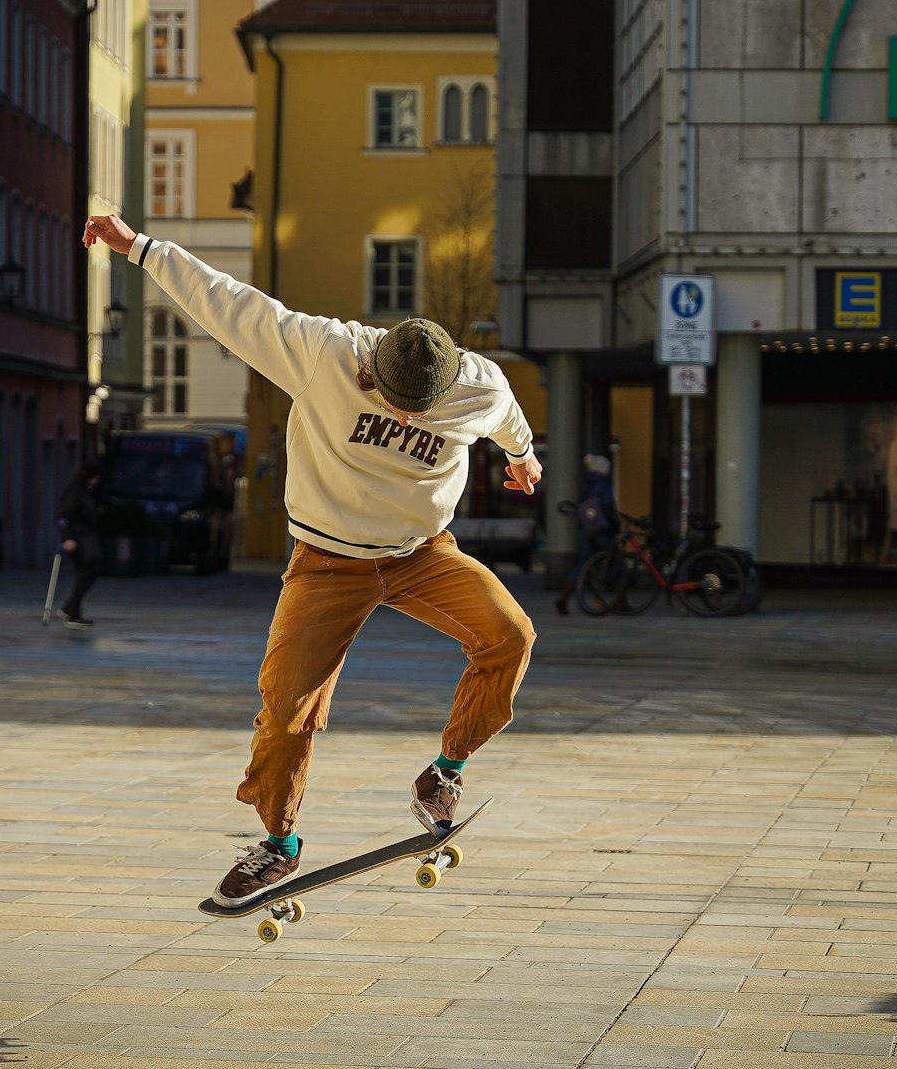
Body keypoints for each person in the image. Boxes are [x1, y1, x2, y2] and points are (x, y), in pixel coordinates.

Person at [82, 212, 542, 908]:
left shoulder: (478, 384)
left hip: (422, 553)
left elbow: (511, 425)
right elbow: (227, 301)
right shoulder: (320, 349)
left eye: (424, 410)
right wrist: (139, 248)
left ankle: (443, 772)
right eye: (396, 404)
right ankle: (279, 843)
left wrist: (523, 460)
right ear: (371, 366)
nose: (412, 419)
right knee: (287, 706)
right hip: (327, 563)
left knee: (510, 635)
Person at [554, 452, 617, 615]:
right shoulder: (603, 484)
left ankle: (564, 597)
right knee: (614, 562)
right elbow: (607, 506)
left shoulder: (586, 483)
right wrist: (616, 524)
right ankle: (619, 601)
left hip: (586, 529)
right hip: (602, 529)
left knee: (583, 563)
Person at [56, 465, 104, 628]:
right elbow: (63, 516)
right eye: (95, 478)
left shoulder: (85, 491)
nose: (96, 481)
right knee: (85, 573)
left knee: (91, 572)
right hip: (78, 538)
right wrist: (67, 538)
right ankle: (72, 612)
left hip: (86, 537)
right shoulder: (75, 492)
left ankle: (70, 607)